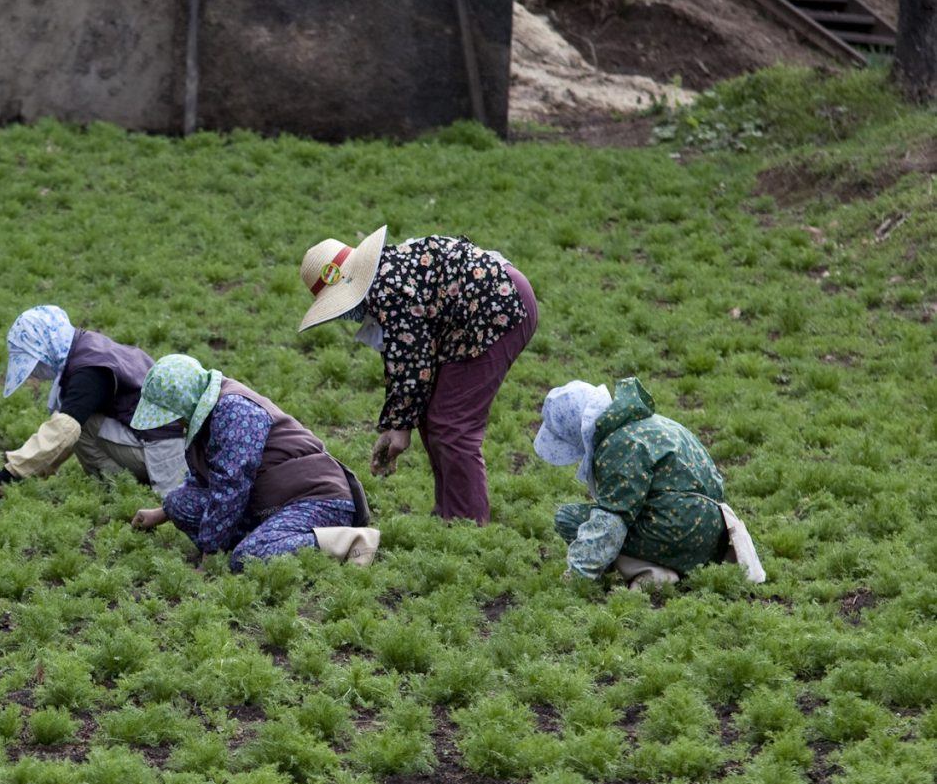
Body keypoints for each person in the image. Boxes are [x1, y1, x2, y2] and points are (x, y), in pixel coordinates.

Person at [296, 227, 538, 523]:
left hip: (498, 308)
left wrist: (399, 428)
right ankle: (449, 512)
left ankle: (466, 524)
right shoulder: (386, 278)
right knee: (434, 414)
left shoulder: (389, 289)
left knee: (453, 424)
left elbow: (413, 361)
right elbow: (404, 361)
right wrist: (398, 423)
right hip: (482, 309)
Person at [127, 354, 377, 570]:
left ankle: (350, 542)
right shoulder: (205, 416)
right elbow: (203, 482)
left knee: (248, 557)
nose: (174, 421)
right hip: (271, 503)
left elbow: (231, 487)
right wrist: (162, 513)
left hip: (314, 500)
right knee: (178, 503)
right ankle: (268, 542)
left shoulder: (234, 410)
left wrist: (210, 557)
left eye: (173, 414)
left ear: (185, 402)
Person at [534, 378, 765, 588]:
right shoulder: (652, 423)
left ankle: (652, 572)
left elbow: (610, 522)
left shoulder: (618, 444)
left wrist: (576, 578)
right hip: (714, 538)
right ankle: (670, 569)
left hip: (675, 533)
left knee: (569, 518)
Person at [0, 304, 187, 498]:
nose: (35, 372)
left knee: (75, 424)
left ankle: (120, 485)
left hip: (165, 453)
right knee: (78, 418)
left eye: (36, 361)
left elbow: (63, 431)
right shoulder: (88, 346)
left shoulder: (88, 372)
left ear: (47, 345)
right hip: (170, 441)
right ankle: (123, 487)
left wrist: (12, 472)